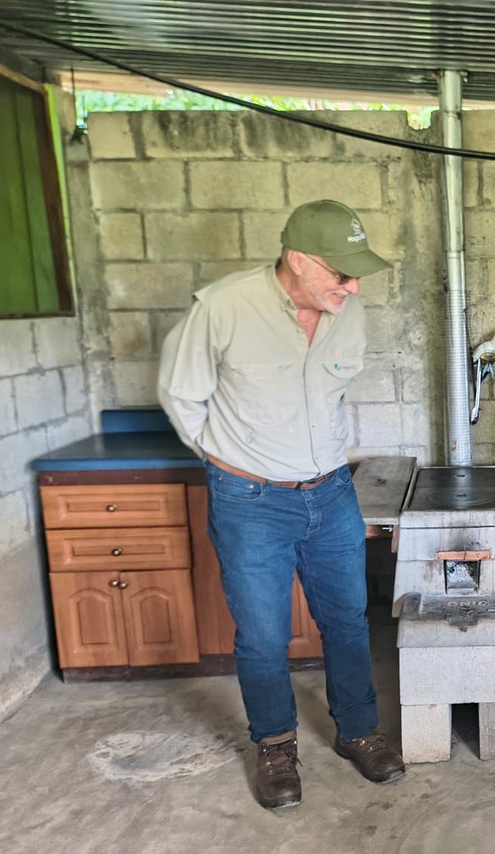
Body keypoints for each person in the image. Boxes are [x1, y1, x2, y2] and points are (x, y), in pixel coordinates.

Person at [158, 199, 405, 810]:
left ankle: (358, 732)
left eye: (357, 273)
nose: (352, 285)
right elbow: (180, 395)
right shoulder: (222, 307)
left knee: (348, 620)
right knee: (264, 636)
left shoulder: (349, 312)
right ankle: (275, 745)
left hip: (331, 489)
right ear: (297, 260)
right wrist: (230, 458)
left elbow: (332, 393)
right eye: (340, 272)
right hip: (250, 500)